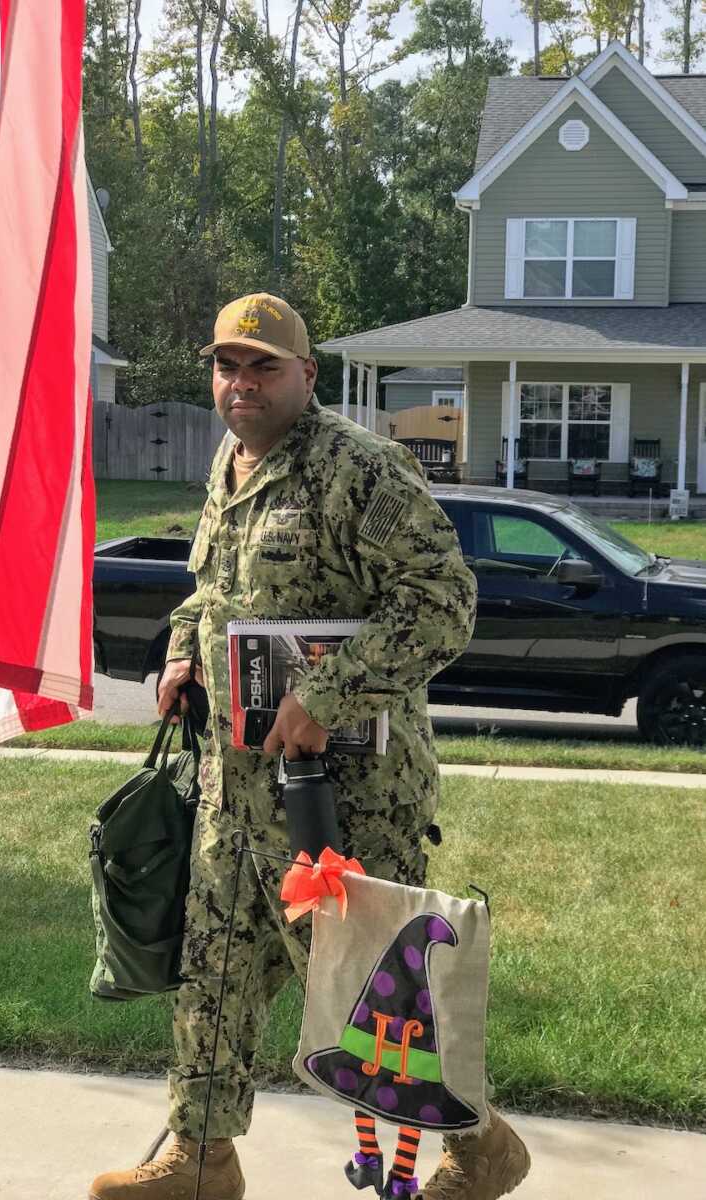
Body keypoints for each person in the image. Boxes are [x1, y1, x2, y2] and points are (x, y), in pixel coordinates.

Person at [89, 294, 530, 1200]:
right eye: (227, 366)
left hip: (343, 798)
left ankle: (478, 1149)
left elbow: (442, 603)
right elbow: (211, 594)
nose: (241, 384)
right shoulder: (231, 462)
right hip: (231, 791)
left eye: (264, 367)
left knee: (374, 995)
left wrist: (326, 695)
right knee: (210, 981)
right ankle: (201, 1158)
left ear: (306, 375)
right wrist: (181, 652)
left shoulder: (359, 469)